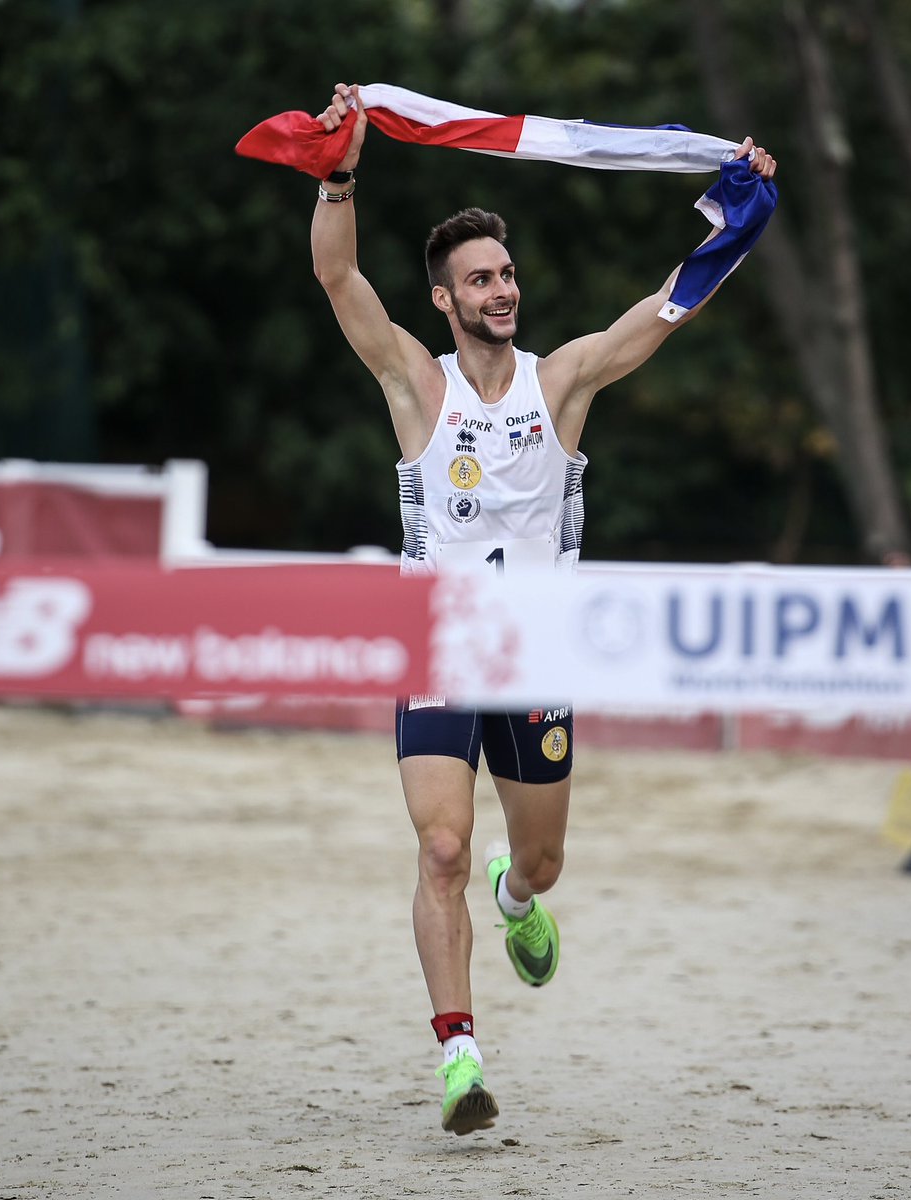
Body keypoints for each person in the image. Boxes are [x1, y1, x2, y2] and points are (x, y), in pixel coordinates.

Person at [310, 81, 777, 1136]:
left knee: (541, 859)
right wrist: (340, 169)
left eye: (508, 272)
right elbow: (336, 275)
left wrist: (739, 202)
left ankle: (515, 900)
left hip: (539, 654)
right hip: (437, 645)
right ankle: (460, 1058)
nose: (502, 288)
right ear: (444, 300)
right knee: (437, 849)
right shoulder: (412, 386)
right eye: (480, 278)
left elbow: (669, 304)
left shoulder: (560, 382)